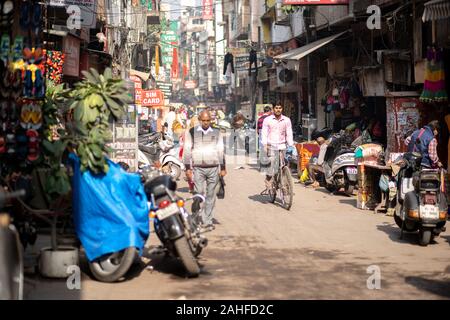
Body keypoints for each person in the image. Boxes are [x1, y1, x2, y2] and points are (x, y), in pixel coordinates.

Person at [183, 110, 226, 230]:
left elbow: (220, 150)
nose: (206, 123)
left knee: (211, 196)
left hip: (213, 167)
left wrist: (223, 168)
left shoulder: (217, 132)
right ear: (200, 120)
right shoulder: (192, 132)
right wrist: (187, 168)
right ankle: (196, 217)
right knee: (198, 193)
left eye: (208, 120)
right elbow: (187, 150)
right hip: (198, 168)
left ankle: (207, 220)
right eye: (204, 120)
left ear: (211, 120)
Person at [261, 102, 294, 190]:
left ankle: (285, 185)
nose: (278, 109)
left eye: (280, 108)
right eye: (276, 108)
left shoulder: (286, 120)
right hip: (271, 145)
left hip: (282, 145)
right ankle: (268, 179)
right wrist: (264, 144)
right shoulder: (267, 120)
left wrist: (291, 145)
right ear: (273, 109)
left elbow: (289, 133)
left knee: (285, 165)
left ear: (282, 109)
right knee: (271, 163)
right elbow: (264, 133)